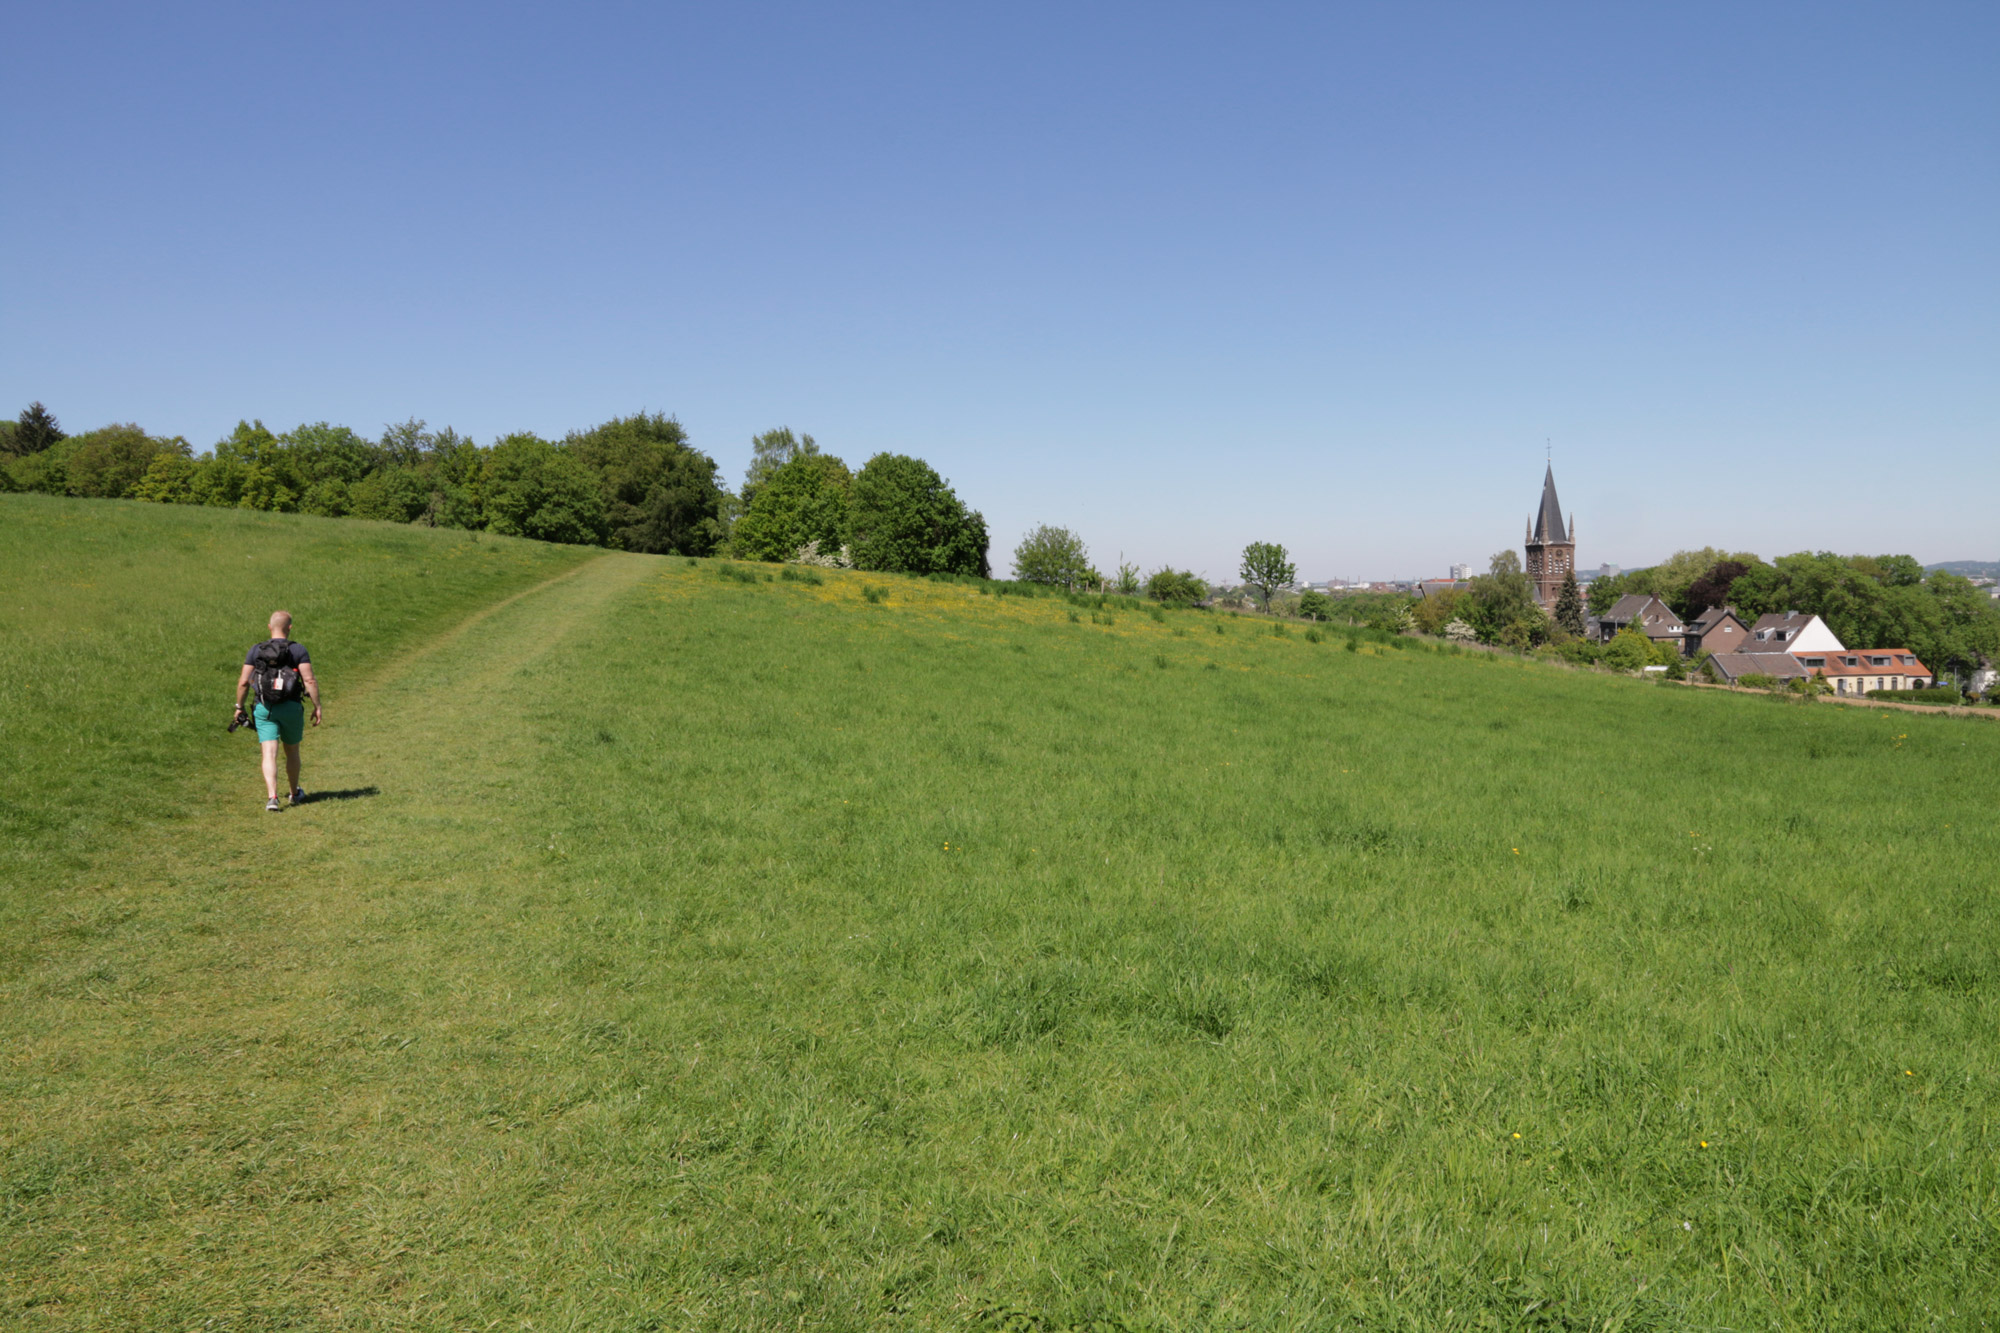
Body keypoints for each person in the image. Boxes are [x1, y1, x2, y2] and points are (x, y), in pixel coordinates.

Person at [233, 610, 323, 811]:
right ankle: (294, 793)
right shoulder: (298, 650)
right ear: (290, 628)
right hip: (291, 707)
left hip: (265, 708)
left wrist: (239, 707)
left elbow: (243, 683)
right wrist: (317, 706)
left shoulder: (256, 650)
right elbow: (309, 680)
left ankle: (272, 797)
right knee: (292, 751)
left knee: (269, 752)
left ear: (269, 627)